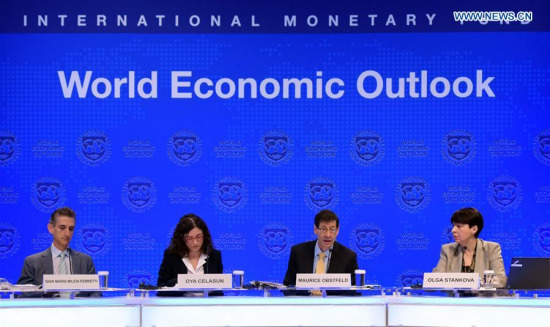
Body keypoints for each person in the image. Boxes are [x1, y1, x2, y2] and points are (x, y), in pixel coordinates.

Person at [17, 207, 98, 296]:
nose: (67, 233)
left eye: (71, 229)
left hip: (78, 309)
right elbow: (22, 294)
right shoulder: (32, 262)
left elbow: (96, 294)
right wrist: (44, 291)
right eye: (62, 228)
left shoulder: (85, 261)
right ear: (51, 228)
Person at [283, 209, 359, 295]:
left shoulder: (348, 257)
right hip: (304, 306)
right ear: (315, 229)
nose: (328, 235)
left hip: (334, 307)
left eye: (332, 229)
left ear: (337, 230)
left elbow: (351, 293)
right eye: (323, 229)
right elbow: (288, 287)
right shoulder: (298, 252)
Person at [433, 207, 507, 288]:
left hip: (483, 299)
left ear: (474, 229)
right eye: (453, 226)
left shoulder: (491, 248)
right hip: (455, 299)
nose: (453, 230)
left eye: (459, 226)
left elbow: (501, 280)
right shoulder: (447, 250)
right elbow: (434, 280)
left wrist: (474, 281)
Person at [157, 213, 223, 296]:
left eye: (198, 237)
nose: (195, 242)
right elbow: (161, 287)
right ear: (182, 238)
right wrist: (183, 280)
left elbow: (219, 290)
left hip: (207, 306)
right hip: (179, 306)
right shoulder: (171, 255)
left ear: (205, 236)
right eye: (189, 238)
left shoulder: (214, 256)